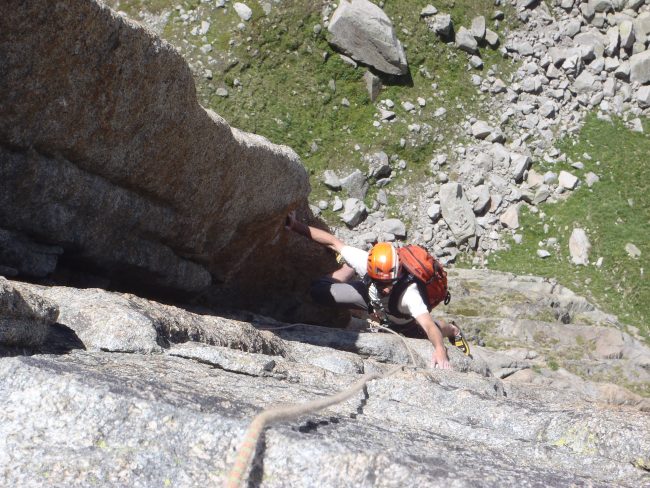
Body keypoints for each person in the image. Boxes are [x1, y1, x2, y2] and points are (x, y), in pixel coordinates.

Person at [286, 213, 470, 369]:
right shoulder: (367, 263)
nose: (387, 288)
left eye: (390, 283)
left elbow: (428, 325)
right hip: (369, 298)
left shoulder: (410, 293)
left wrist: (439, 349)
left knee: (429, 330)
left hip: (402, 322)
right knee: (319, 291)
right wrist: (295, 225)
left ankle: (452, 329)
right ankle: (348, 267)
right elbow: (333, 242)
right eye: (381, 284)